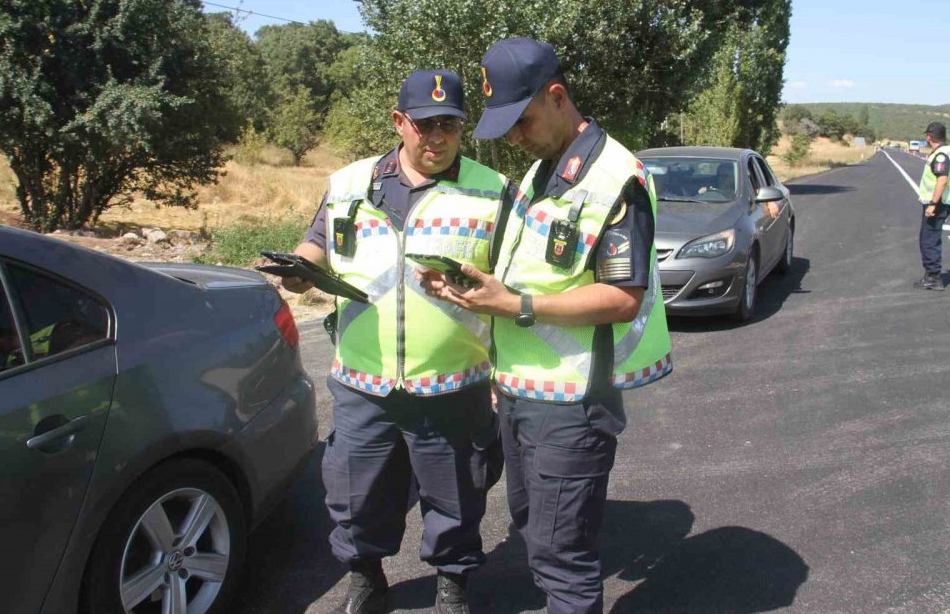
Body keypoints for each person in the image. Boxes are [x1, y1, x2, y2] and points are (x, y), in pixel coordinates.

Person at [420, 38, 672, 613]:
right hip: (519, 392)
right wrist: (475, 287)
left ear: (557, 97)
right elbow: (530, 269)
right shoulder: (540, 173)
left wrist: (513, 305)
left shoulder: (614, 178)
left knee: (562, 558)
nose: (513, 137)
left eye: (523, 121)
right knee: (536, 533)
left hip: (573, 402)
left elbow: (622, 296)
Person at [282, 69, 509, 614]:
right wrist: (297, 271)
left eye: (450, 127)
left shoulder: (493, 190)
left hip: (454, 381)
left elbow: (510, 281)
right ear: (399, 122)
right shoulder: (349, 184)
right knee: (355, 494)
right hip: (365, 380)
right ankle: (366, 575)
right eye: (425, 125)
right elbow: (317, 245)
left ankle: (452, 582)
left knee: (456, 497)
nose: (437, 138)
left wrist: (503, 371)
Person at [913, 121, 950, 291]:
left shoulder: (941, 155)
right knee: (929, 237)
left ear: (929, 136)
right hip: (941, 202)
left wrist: (933, 203)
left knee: (929, 238)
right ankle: (931, 274)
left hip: (937, 203)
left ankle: (933, 277)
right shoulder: (946, 152)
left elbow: (942, 179)